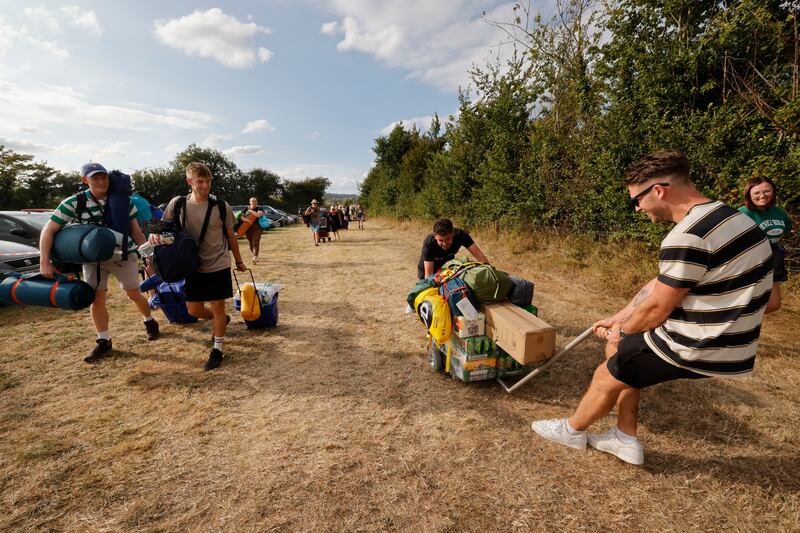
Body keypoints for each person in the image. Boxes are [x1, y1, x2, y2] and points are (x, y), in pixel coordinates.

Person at [531, 150, 774, 466]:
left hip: (700, 343)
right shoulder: (734, 218)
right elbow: (660, 285)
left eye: (636, 200)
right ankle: (624, 437)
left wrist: (619, 332)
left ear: (659, 190)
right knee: (624, 356)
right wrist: (620, 318)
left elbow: (658, 307)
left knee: (608, 371)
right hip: (732, 341)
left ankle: (572, 430)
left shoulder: (686, 235)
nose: (637, 209)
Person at [39, 162, 160, 363]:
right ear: (85, 180)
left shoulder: (123, 202)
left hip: (124, 254)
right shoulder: (74, 203)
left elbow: (136, 231)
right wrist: (44, 260)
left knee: (133, 294)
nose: (101, 181)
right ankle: (103, 340)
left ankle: (150, 321)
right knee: (97, 298)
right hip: (93, 260)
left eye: (104, 177)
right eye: (95, 177)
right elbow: (48, 229)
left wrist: (147, 253)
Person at [155, 162, 246, 370]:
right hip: (192, 264)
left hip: (218, 262)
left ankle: (218, 349)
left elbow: (231, 235)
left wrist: (239, 260)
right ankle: (220, 320)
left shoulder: (221, 206)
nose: (205, 186)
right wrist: (155, 235)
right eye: (200, 182)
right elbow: (163, 227)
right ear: (190, 182)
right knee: (193, 310)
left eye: (208, 181)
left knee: (218, 305)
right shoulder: (177, 204)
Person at [738, 176, 792, 313]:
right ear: (749, 194)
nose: (762, 195)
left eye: (767, 191)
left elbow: (785, 229)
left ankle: (747, 321)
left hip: (773, 258)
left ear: (773, 192)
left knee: (774, 304)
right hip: (751, 261)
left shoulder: (778, 212)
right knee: (745, 301)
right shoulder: (742, 213)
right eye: (756, 192)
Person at [417, 218, 489, 279]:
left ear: (453, 234)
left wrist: (490, 271)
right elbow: (428, 276)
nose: (444, 244)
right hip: (427, 271)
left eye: (448, 239)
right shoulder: (429, 243)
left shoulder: (461, 236)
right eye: (441, 240)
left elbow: (478, 255)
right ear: (435, 237)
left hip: (447, 269)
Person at [243, 197, 265, 264]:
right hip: (248, 228)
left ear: (257, 202)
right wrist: (247, 220)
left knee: (255, 242)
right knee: (250, 242)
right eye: (252, 201)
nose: (254, 202)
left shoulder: (259, 208)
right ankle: (255, 255)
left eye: (255, 201)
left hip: (257, 227)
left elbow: (258, 215)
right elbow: (240, 216)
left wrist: (251, 211)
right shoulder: (246, 208)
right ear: (250, 202)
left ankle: (255, 257)